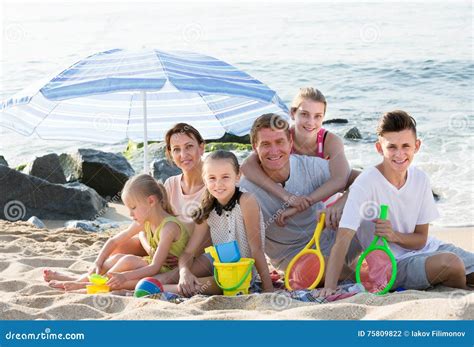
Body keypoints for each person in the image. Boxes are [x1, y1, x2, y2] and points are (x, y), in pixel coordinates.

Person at [320, 110, 474, 295]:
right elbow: (342, 240)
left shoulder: (420, 179)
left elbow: (421, 239)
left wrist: (394, 235)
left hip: (430, 249)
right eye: (392, 147)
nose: (400, 154)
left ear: (416, 146)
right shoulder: (365, 183)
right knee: (452, 264)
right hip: (391, 264)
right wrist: (329, 288)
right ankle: (461, 295)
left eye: (406, 146)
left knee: (457, 264)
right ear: (379, 148)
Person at [239, 113, 361, 274]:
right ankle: (358, 278)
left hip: (331, 241)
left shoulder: (308, 166)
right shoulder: (246, 190)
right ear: (255, 148)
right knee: (336, 271)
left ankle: (397, 263)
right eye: (266, 144)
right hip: (293, 259)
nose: (274, 150)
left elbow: (364, 179)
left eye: (279, 142)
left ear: (290, 143)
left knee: (376, 216)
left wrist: (340, 203)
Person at [44, 174, 189, 291]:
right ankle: (80, 280)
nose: (130, 214)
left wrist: (124, 277)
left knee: (127, 260)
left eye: (133, 207)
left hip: (167, 272)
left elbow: (155, 267)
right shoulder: (145, 220)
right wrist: (97, 262)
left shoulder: (168, 227)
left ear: (151, 201)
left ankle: (90, 284)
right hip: (153, 265)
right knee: (116, 258)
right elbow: (114, 241)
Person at [164, 150, 273, 296]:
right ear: (205, 179)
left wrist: (268, 289)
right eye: (212, 178)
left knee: (193, 287)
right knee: (173, 276)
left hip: (240, 270)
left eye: (225, 177)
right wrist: (185, 273)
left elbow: (256, 249)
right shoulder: (207, 206)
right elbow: (189, 252)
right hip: (217, 260)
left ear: (238, 176)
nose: (218, 184)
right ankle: (129, 286)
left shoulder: (246, 200)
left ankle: (150, 290)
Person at [241, 87, 351, 226]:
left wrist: (301, 205)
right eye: (304, 114)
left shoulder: (330, 141)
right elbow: (247, 166)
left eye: (317, 116)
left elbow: (342, 179)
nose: (311, 122)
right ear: (293, 113)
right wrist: (287, 197)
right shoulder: (281, 138)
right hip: (294, 206)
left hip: (327, 205)